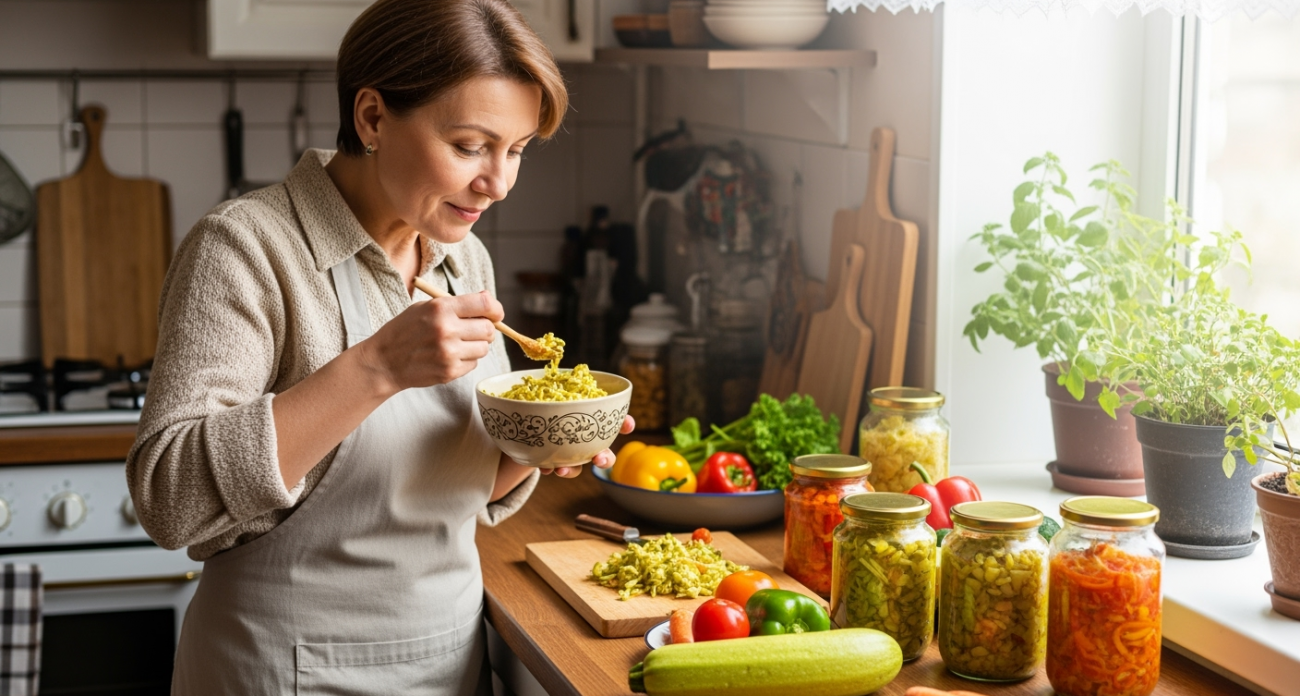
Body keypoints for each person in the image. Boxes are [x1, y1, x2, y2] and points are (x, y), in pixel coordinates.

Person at [125, 1, 632, 693]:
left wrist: (543, 445)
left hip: (448, 658)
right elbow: (169, 499)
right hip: (282, 668)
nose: (499, 183)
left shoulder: (462, 257)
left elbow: (445, 490)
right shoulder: (245, 248)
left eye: (515, 150)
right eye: (470, 146)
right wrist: (376, 367)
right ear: (371, 118)